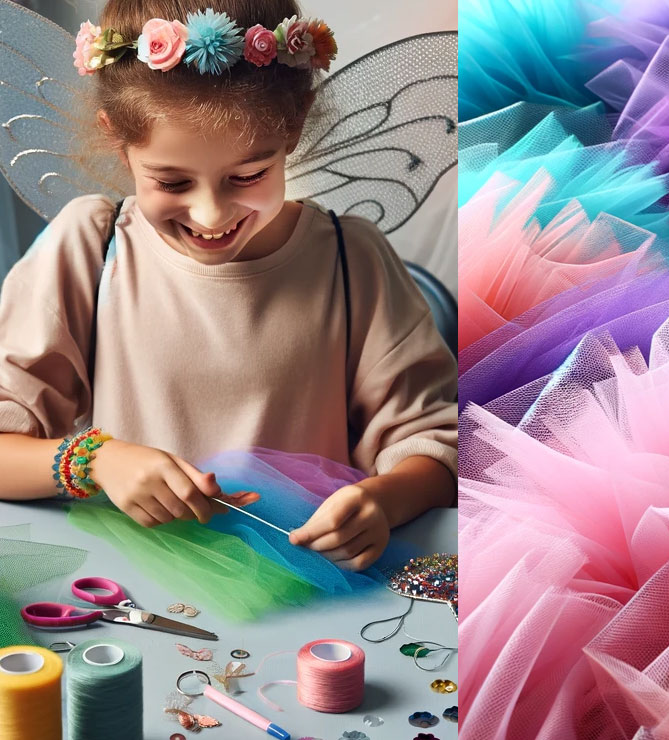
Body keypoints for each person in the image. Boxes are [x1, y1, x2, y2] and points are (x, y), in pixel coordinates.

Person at [0, 0, 457, 571]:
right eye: (171, 181)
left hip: (305, 585)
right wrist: (96, 461)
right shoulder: (89, 246)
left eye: (248, 176)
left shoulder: (351, 259)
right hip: (133, 581)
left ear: (293, 127)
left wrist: (382, 500)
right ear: (116, 138)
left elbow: (436, 443)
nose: (211, 215)